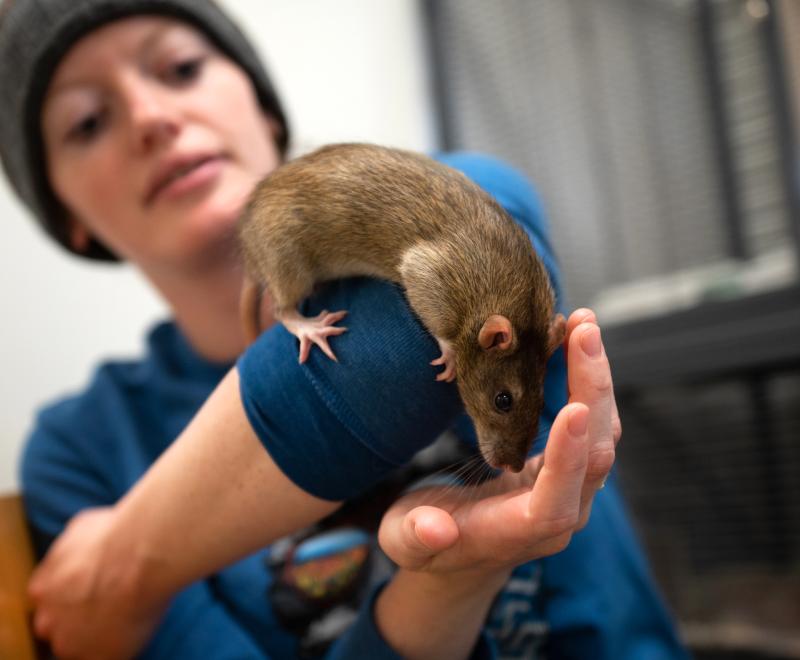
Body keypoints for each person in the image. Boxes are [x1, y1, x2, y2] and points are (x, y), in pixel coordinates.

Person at [0, 1, 689, 658]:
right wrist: (443, 588)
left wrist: (126, 561)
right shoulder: (80, 454)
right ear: (67, 217)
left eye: (181, 69)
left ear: (264, 108)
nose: (151, 117)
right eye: (87, 122)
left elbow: (392, 357)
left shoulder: (475, 202)